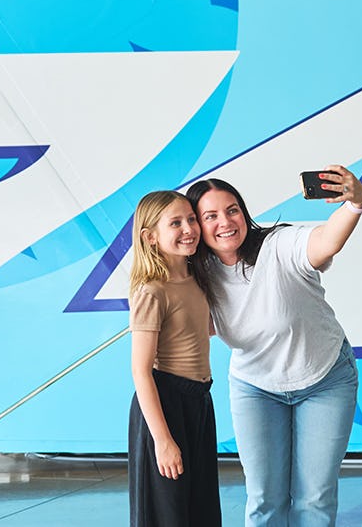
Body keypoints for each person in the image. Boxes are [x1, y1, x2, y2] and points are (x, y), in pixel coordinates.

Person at [186, 165, 362, 527]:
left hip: (325, 380)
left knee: (313, 498)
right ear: (197, 226)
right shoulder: (198, 276)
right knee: (264, 499)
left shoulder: (278, 245)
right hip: (255, 388)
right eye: (210, 216)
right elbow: (192, 328)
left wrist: (356, 204)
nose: (225, 221)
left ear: (244, 213)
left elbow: (325, 241)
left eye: (232, 209)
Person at [127, 190, 221, 527]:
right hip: (165, 404)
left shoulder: (198, 281)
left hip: (199, 403)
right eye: (175, 223)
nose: (189, 229)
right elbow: (141, 371)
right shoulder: (152, 291)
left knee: (201, 507)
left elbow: (200, 331)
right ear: (150, 238)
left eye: (192, 219)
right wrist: (163, 440)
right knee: (168, 513)